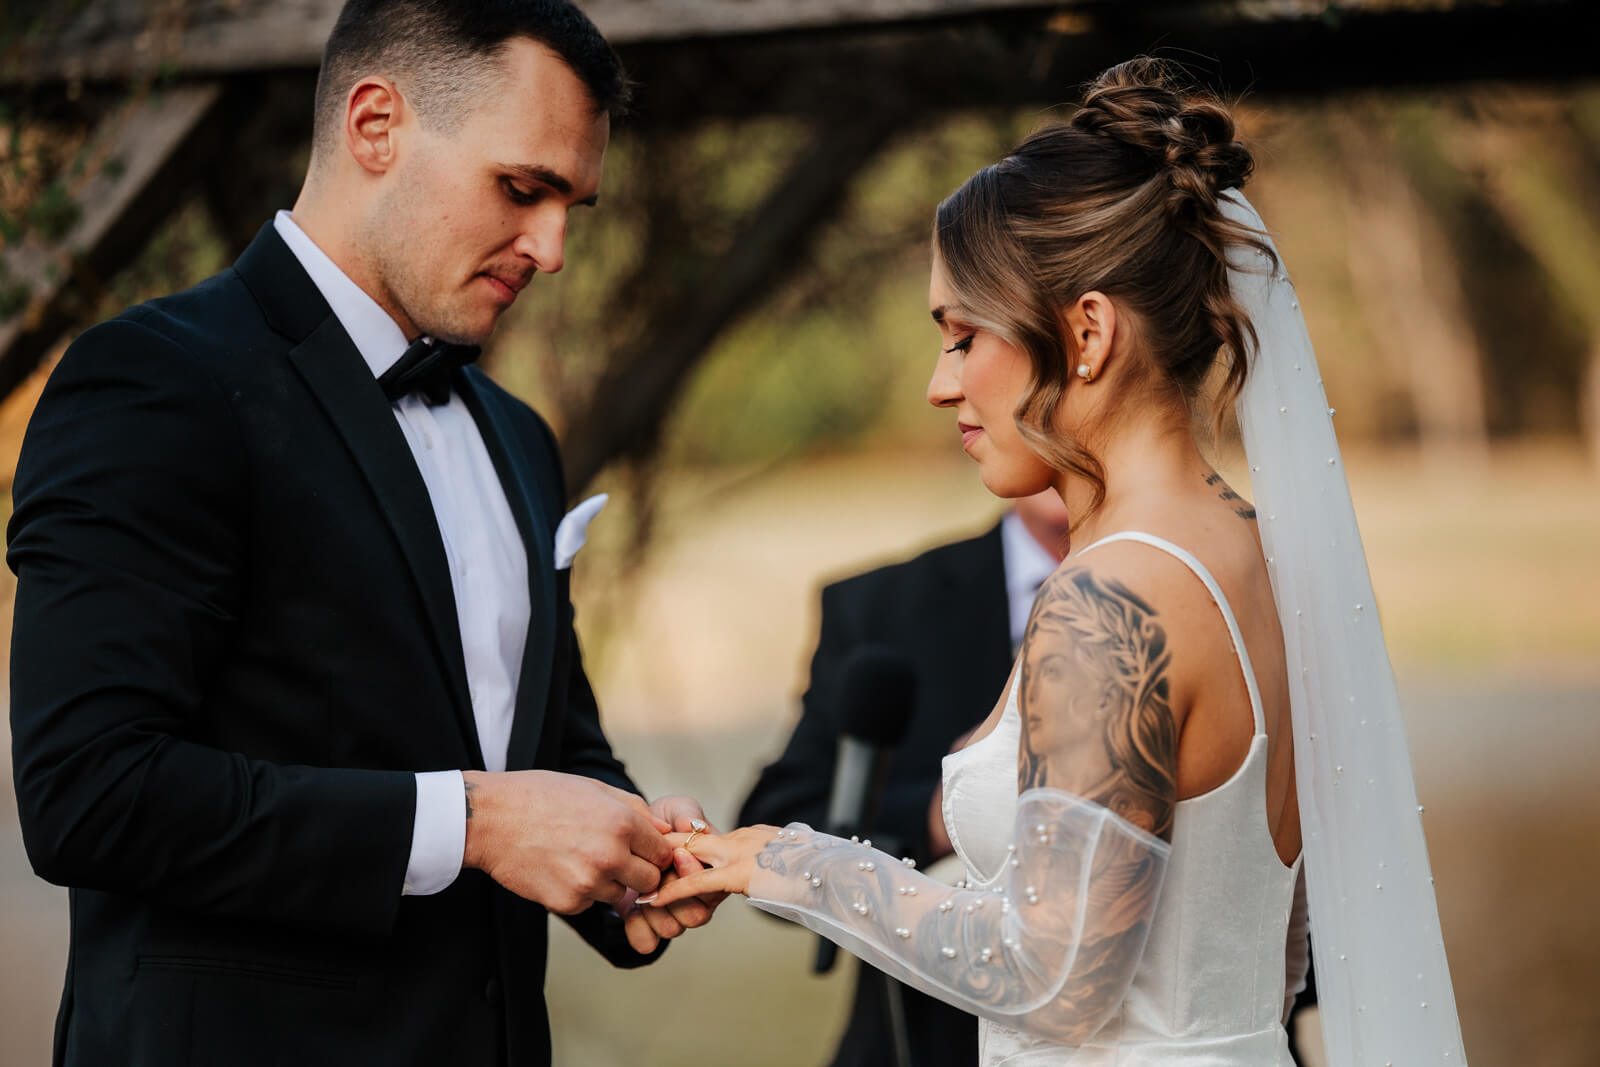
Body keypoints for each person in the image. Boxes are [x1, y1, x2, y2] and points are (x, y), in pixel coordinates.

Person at [644, 58, 1466, 1065]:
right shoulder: (1264, 555)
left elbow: (1052, 978)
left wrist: (783, 860)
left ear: (1085, 331)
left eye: (961, 337)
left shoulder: (1113, 593)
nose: (940, 386)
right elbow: (1277, 938)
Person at [6, 3, 719, 1065]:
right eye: (522, 190)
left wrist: (626, 857)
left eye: (574, 204)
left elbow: (543, 746)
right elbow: (90, 792)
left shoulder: (518, 437)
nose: (554, 248)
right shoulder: (157, 381)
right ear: (375, 124)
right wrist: (477, 823)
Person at [738, 488, 1068, 1067]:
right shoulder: (880, 608)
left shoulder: (1242, 590)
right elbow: (777, 823)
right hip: (919, 1045)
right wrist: (939, 815)